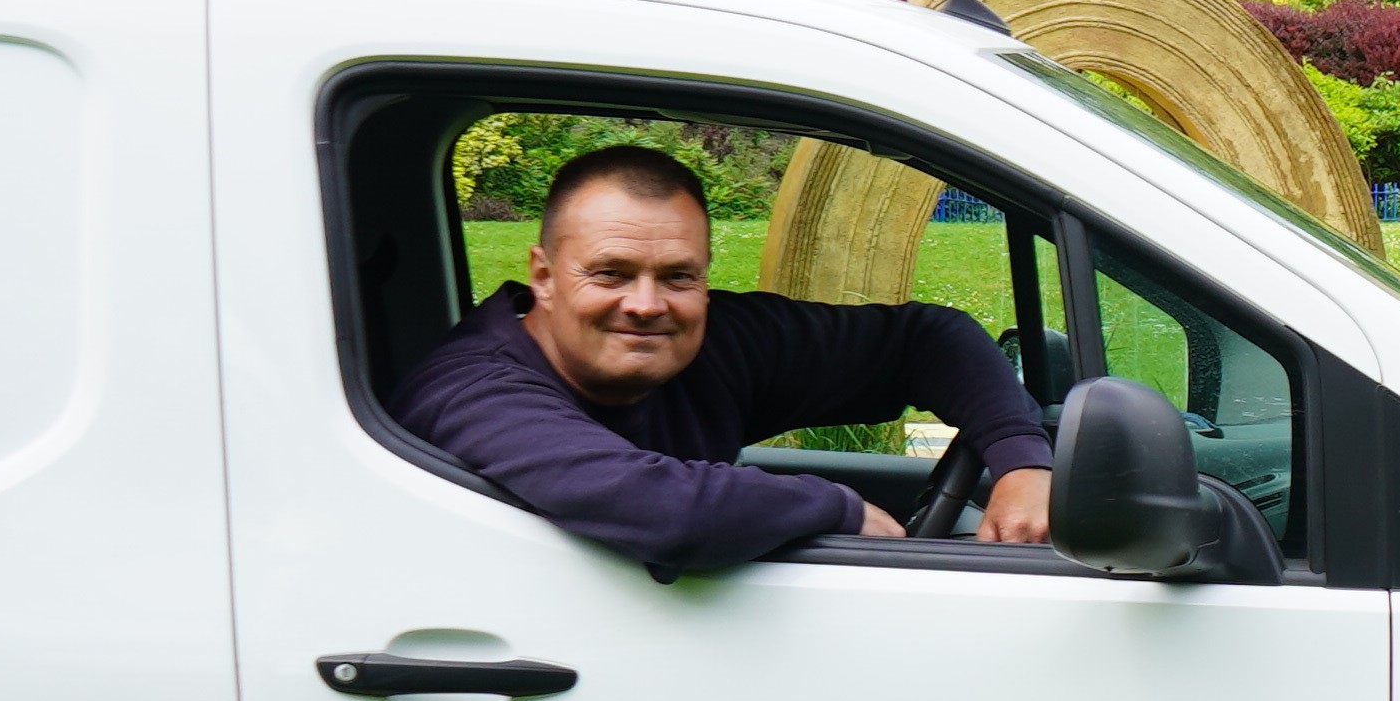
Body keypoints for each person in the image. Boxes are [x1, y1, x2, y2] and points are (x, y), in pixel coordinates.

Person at [400, 145, 1062, 577]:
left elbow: (928, 338)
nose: (646, 304)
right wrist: (842, 512)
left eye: (679, 277)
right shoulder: (475, 387)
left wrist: (1021, 460)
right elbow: (661, 510)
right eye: (610, 273)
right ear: (542, 276)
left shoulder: (712, 340)